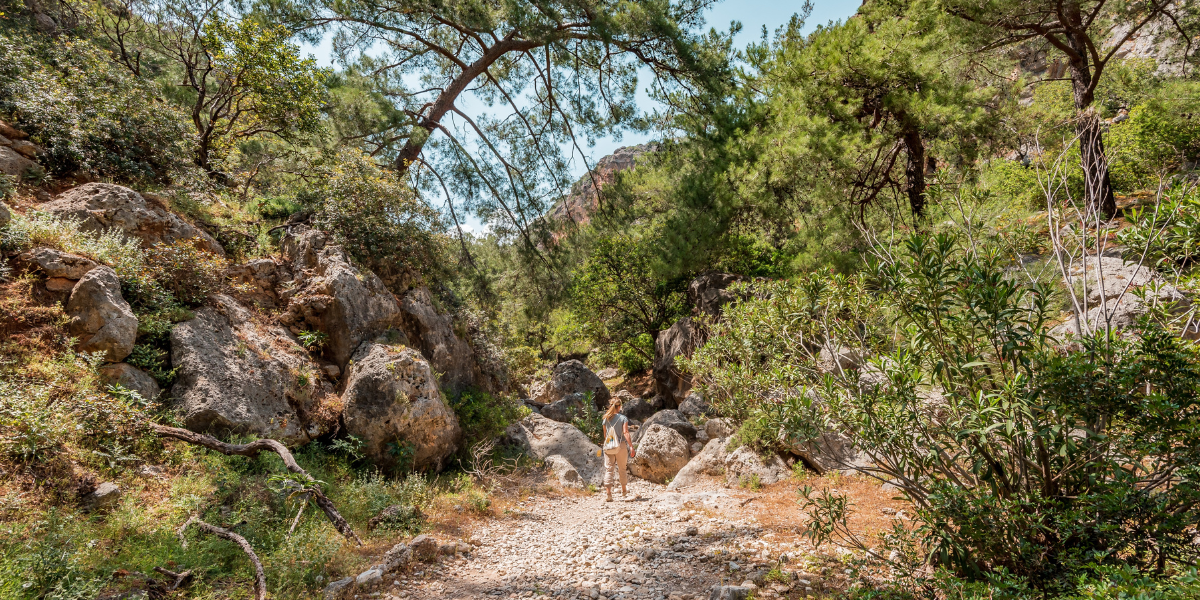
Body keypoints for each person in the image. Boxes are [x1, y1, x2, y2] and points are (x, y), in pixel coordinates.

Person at [601, 397, 635, 502]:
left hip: (608, 446)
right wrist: (631, 446)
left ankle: (608, 494)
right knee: (622, 469)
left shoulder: (605, 418)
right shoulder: (623, 418)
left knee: (609, 469)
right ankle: (624, 492)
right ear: (619, 406)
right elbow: (626, 433)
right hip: (620, 446)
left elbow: (605, 434)